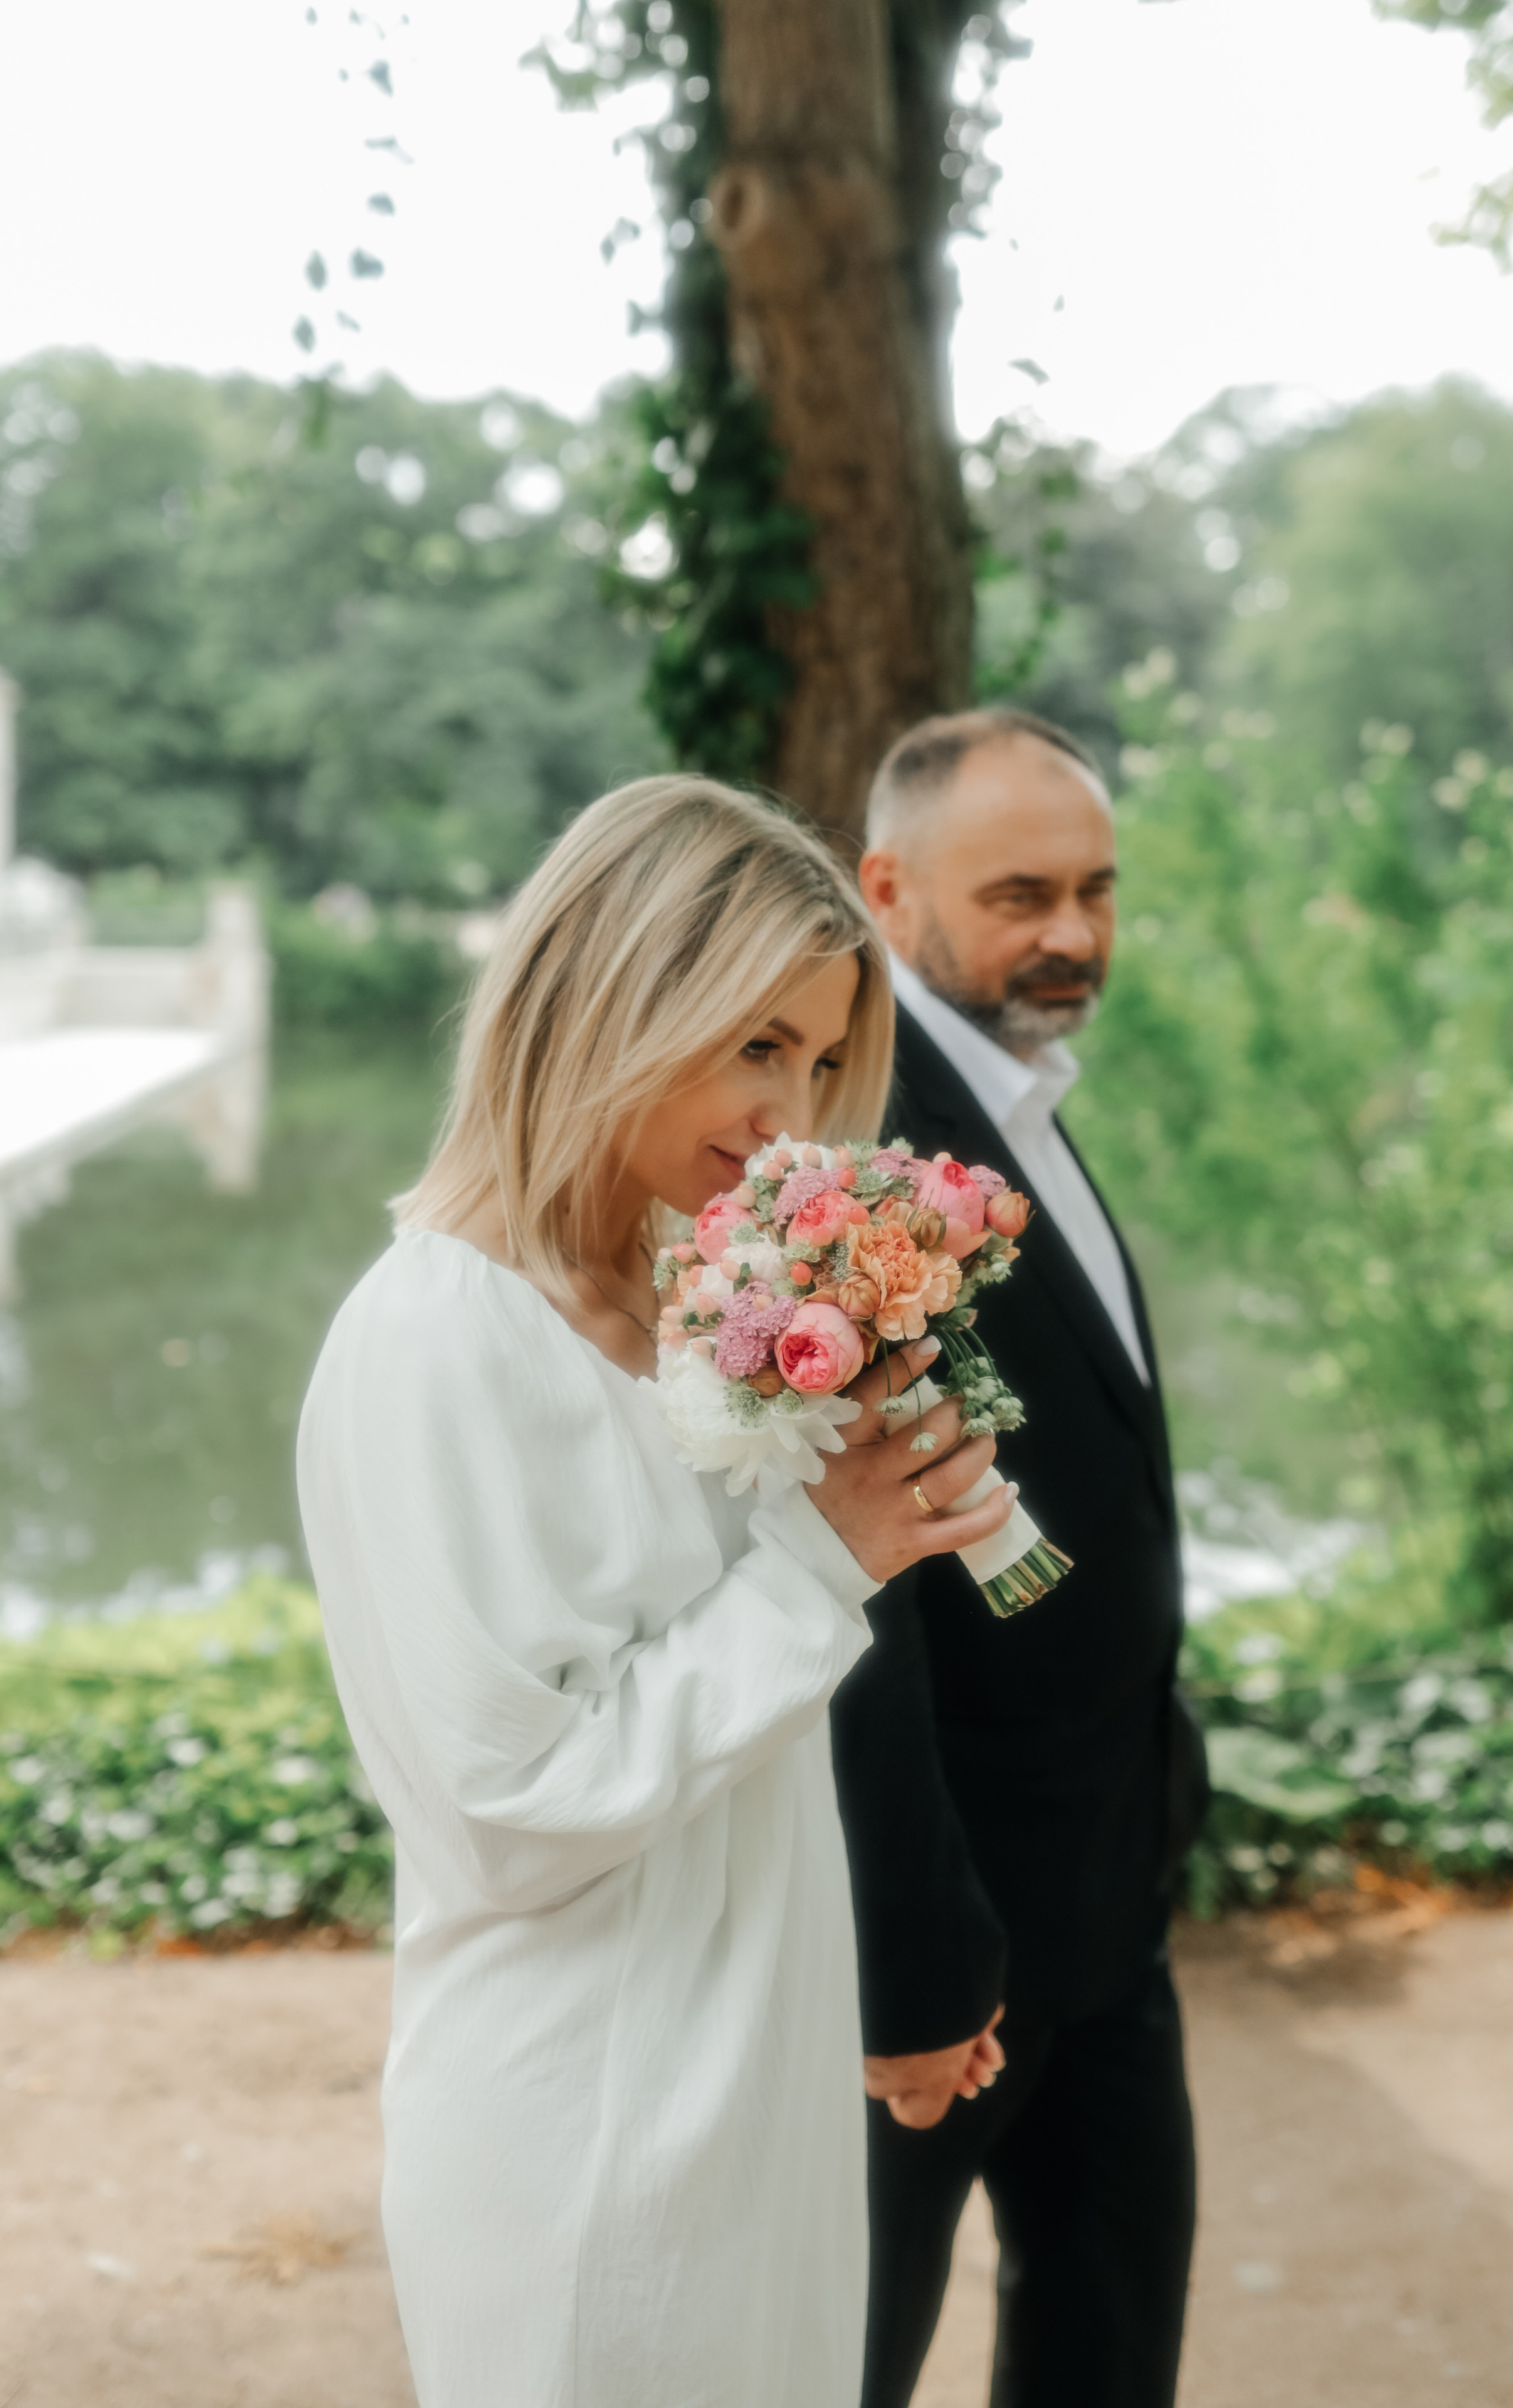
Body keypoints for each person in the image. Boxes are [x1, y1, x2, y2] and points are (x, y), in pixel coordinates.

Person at [296, 775, 1020, 2408]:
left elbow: (781, 1716)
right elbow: (511, 1803)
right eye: (758, 1044)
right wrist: (827, 1553)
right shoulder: (438, 1344)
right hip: (588, 2126)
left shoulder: (698, 1315)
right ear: (612, 992)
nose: (797, 1108)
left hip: (754, 2084)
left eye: (824, 1060)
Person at [831, 708, 1211, 2408]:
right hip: (953, 1935)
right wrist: (914, 1963)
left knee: (1108, 2348)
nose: (1072, 934)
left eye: (1098, 891)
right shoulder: (849, 1146)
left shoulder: (1025, 1094)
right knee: (853, 2360)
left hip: (1111, 1893)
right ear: (889, 888)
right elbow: (856, 1595)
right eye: (1023, 894)